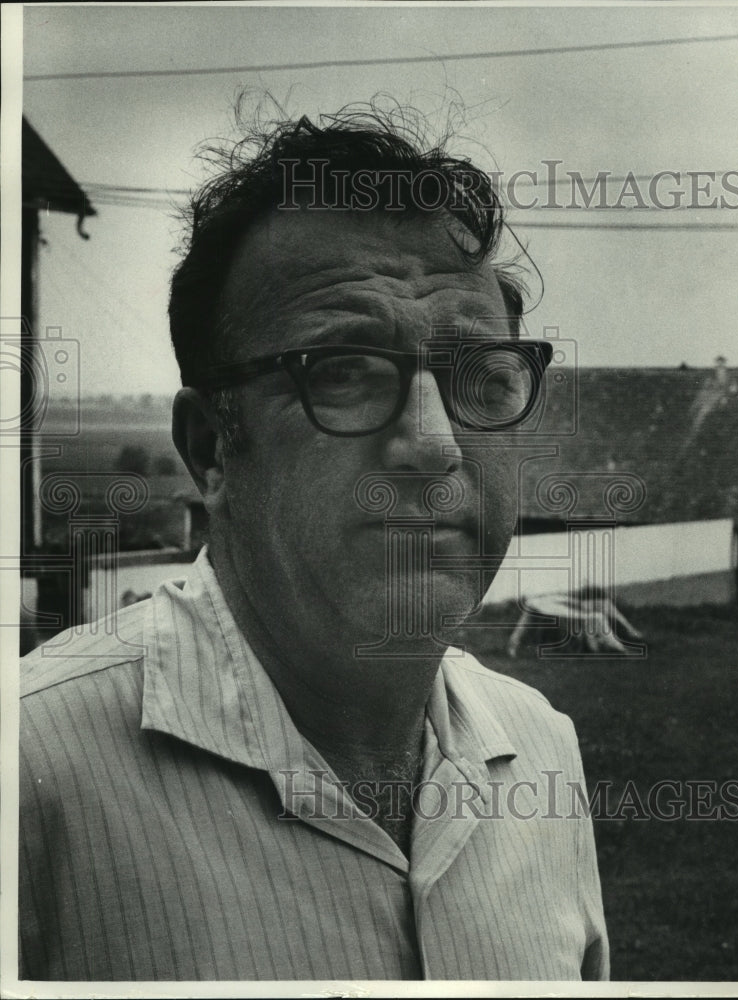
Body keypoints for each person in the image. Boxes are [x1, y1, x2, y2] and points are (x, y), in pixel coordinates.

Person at [19, 104, 609, 982]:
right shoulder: (31, 774)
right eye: (342, 372)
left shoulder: (542, 749)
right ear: (212, 449)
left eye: (480, 377)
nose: (435, 443)